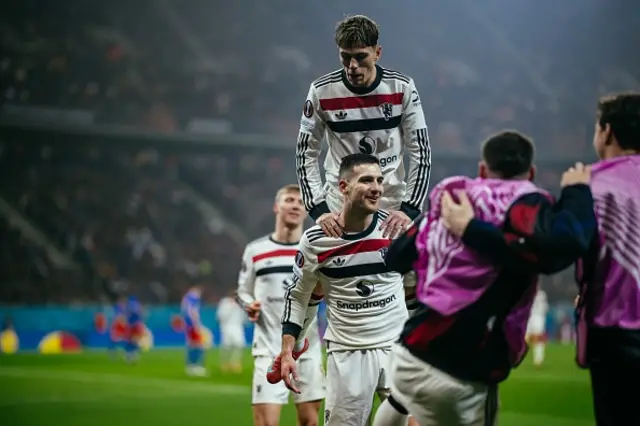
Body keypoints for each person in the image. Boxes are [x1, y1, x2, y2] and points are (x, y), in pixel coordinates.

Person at [376, 131, 597, 426]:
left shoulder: (450, 198)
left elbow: (395, 258)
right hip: (466, 367)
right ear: (530, 173)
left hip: (410, 352)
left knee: (399, 400)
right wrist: (577, 192)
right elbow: (564, 244)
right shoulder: (526, 203)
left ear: (482, 168)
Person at [279, 154, 414, 426]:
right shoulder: (317, 241)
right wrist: (286, 351)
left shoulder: (398, 231)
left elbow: (417, 289)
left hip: (397, 347)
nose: (376, 187)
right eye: (366, 180)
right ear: (343, 187)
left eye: (379, 180)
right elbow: (298, 295)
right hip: (348, 354)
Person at [295, 14, 431, 238]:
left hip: (391, 208)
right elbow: (305, 152)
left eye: (360, 57)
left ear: (377, 53)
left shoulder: (401, 87)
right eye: (345, 57)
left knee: (397, 273)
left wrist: (410, 209)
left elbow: (421, 150)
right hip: (341, 207)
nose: (352, 66)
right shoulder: (321, 91)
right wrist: (319, 209)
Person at [236, 184, 324, 426]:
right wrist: (247, 304)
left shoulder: (317, 249)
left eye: (300, 202)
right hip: (268, 348)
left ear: (306, 211)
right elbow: (242, 292)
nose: (295, 205)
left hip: (308, 348)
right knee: (266, 423)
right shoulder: (256, 250)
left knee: (310, 422)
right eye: (289, 200)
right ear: (277, 207)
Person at [216, 289, 247, 373]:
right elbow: (220, 316)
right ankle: (224, 363)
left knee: (239, 345)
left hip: (238, 327)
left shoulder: (240, 303)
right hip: (226, 327)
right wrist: (230, 307)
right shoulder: (224, 303)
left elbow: (243, 315)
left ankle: (235, 363)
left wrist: (244, 322)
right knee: (226, 346)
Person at [182, 285, 207, 376]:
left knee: (192, 344)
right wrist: (196, 324)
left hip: (189, 325)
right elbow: (192, 312)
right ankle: (196, 366)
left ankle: (191, 366)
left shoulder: (187, 299)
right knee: (198, 344)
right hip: (192, 325)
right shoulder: (193, 299)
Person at [525, 288, 548, 368]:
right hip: (528, 317)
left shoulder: (541, 294)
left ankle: (538, 359)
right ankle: (519, 357)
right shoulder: (527, 292)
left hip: (538, 317)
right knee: (525, 337)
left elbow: (544, 307)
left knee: (538, 338)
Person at [124, 295, 145, 364]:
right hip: (135, 325)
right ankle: (132, 354)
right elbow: (140, 314)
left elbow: (126, 315)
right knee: (134, 340)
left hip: (130, 325)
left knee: (130, 340)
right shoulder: (136, 305)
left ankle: (129, 354)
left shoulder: (129, 305)